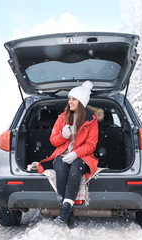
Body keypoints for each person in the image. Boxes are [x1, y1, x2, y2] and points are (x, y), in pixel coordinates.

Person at [37, 80, 102, 227]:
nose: (70, 101)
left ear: (81, 101)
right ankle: (67, 214)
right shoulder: (62, 117)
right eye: (70, 98)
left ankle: (63, 213)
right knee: (60, 170)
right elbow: (53, 140)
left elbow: (91, 145)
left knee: (75, 170)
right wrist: (63, 136)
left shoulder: (91, 121)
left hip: (82, 156)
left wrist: (76, 154)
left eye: (73, 99)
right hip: (62, 154)